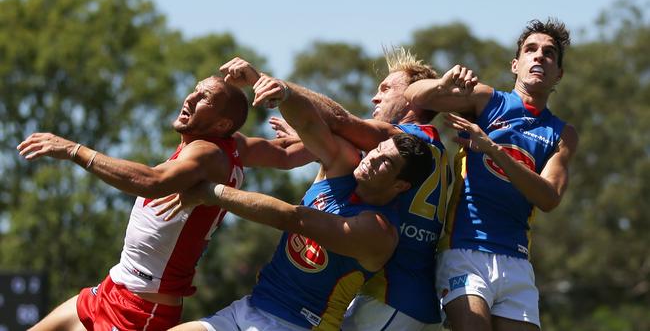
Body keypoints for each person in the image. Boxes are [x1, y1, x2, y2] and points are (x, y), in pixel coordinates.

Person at [18, 75, 310, 331]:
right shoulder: (234, 145)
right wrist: (312, 140)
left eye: (204, 98)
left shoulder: (207, 154)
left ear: (221, 123)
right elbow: (285, 154)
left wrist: (74, 150)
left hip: (141, 309)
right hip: (113, 287)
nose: (190, 98)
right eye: (195, 90)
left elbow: (153, 181)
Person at [155, 69, 435, 331]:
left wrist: (212, 192)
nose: (372, 159)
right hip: (251, 306)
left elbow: (292, 218)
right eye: (377, 151)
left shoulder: (378, 231)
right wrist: (282, 92)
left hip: (294, 324)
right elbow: (310, 123)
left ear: (401, 185)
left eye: (385, 163)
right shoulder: (342, 165)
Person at [255, 50, 478, 330]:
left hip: (394, 297)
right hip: (404, 298)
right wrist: (310, 138)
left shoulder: (403, 140)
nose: (375, 97)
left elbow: (339, 120)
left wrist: (284, 90)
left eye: (386, 89)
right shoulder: (428, 149)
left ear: (414, 98)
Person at [404, 18, 579, 330]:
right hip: (465, 250)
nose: (539, 56)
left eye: (549, 53)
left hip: (517, 261)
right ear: (516, 64)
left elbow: (549, 197)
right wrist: (442, 85)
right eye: (531, 50)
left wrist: (492, 149)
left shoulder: (562, 133)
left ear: (559, 74)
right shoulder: (488, 100)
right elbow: (415, 96)